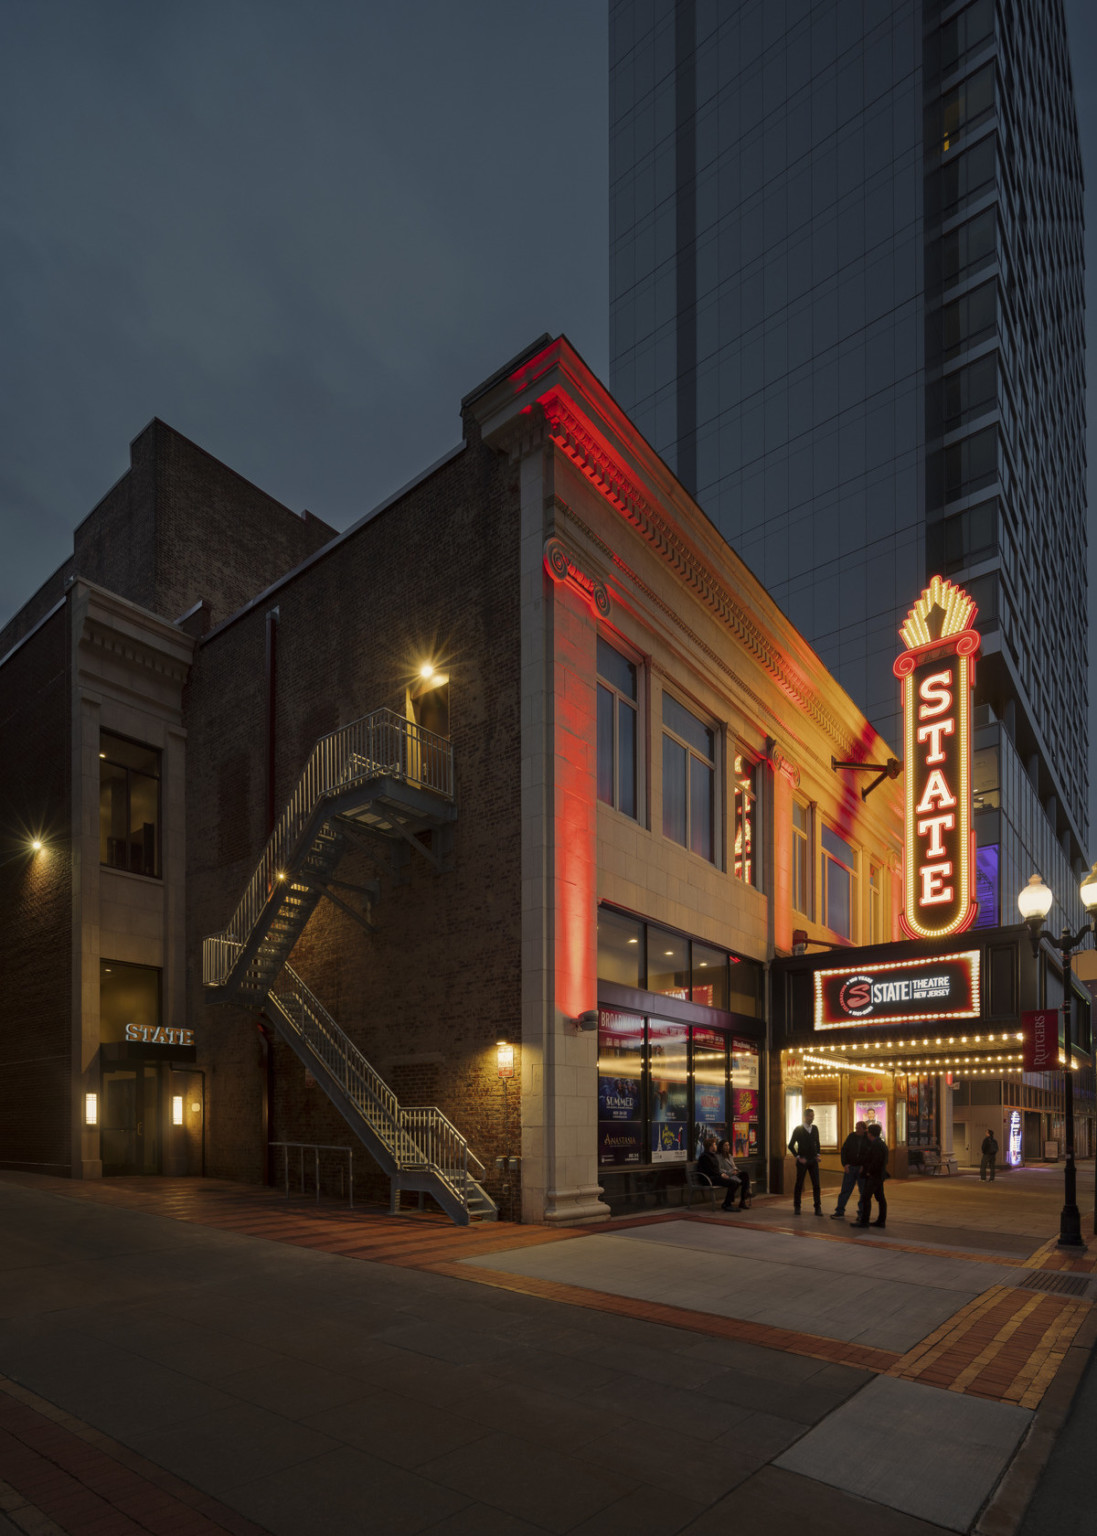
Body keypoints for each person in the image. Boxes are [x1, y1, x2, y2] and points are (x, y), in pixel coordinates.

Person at [851, 1123, 888, 1228]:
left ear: (870, 1133)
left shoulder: (876, 1145)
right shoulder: (880, 1143)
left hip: (874, 1176)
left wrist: (868, 1171)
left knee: (866, 1197)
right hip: (879, 1175)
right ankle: (881, 1221)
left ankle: (864, 1221)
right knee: (880, 1197)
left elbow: (876, 1161)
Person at [830, 1121, 867, 1221]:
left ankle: (862, 1213)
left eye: (859, 1128)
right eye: (856, 1128)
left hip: (861, 1169)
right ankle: (839, 1211)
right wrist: (845, 1164)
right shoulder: (851, 1137)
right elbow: (844, 1150)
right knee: (845, 1190)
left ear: (864, 1129)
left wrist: (864, 1166)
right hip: (850, 1168)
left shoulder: (867, 1139)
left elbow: (869, 1154)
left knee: (863, 1192)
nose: (857, 1130)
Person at [788, 1107, 822, 1214]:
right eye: (810, 1116)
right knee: (799, 1183)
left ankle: (817, 1207)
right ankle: (797, 1206)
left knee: (816, 1184)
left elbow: (817, 1143)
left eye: (813, 1116)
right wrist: (798, 1157)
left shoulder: (815, 1128)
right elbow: (791, 1145)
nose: (812, 1118)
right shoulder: (798, 1129)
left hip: (813, 1160)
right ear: (805, 1117)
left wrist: (817, 1154)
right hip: (802, 1161)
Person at [696, 1135, 741, 1211]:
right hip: (708, 1179)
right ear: (710, 1147)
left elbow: (716, 1169)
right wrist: (721, 1175)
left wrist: (722, 1174)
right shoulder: (705, 1157)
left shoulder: (713, 1156)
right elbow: (709, 1170)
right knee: (732, 1183)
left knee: (735, 1182)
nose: (716, 1146)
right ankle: (727, 1205)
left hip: (714, 1177)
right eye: (714, 1144)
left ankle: (727, 1202)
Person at [716, 1137, 751, 1209]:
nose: (727, 1147)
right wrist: (730, 1172)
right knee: (741, 1181)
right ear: (721, 1146)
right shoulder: (718, 1156)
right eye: (725, 1145)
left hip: (734, 1174)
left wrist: (736, 1170)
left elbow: (734, 1166)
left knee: (745, 1175)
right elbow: (719, 1169)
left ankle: (742, 1200)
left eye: (728, 1145)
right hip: (727, 1175)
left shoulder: (729, 1155)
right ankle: (745, 1195)